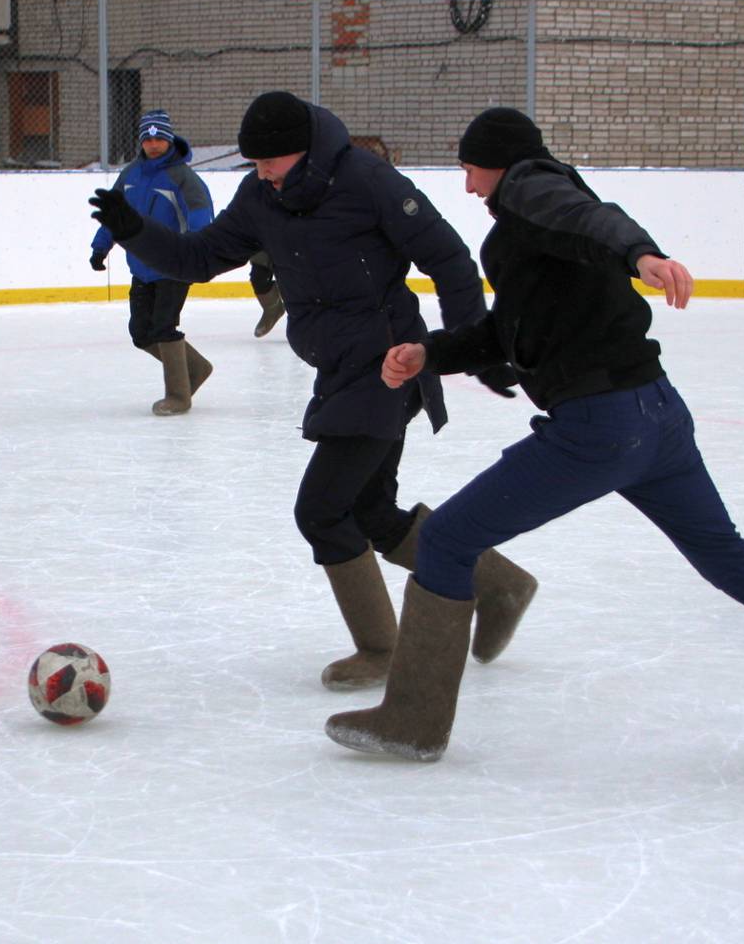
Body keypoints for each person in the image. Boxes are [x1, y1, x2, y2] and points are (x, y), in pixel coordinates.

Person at [325, 108, 744, 766]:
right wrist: (428, 353)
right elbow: (511, 331)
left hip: (598, 427)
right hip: (657, 416)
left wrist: (640, 253)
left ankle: (413, 722)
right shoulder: (541, 227)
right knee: (730, 560)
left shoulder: (530, 189)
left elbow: (595, 221)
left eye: (469, 169)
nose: (467, 186)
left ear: (496, 161)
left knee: (444, 540)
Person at [89, 91, 536, 690]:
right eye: (253, 163)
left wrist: (469, 344)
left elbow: (450, 259)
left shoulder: (367, 180)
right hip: (337, 367)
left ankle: (382, 648)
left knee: (322, 511)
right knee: (370, 511)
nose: (260, 173)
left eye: (269, 161)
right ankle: (499, 586)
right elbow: (199, 258)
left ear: (302, 151)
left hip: (389, 364)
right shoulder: (261, 195)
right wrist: (134, 230)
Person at [91, 109, 215, 415]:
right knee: (141, 333)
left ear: (170, 139)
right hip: (142, 266)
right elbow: (114, 214)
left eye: (160, 137)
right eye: (148, 138)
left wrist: (197, 252)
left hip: (175, 265)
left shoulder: (183, 179)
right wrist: (100, 246)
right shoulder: (130, 175)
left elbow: (201, 217)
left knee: (163, 327)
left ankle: (178, 396)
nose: (154, 144)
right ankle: (195, 369)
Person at [248, 250, 285, 337]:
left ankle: (301, 323)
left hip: (297, 245)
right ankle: (272, 309)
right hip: (263, 244)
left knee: (295, 282)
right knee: (259, 279)